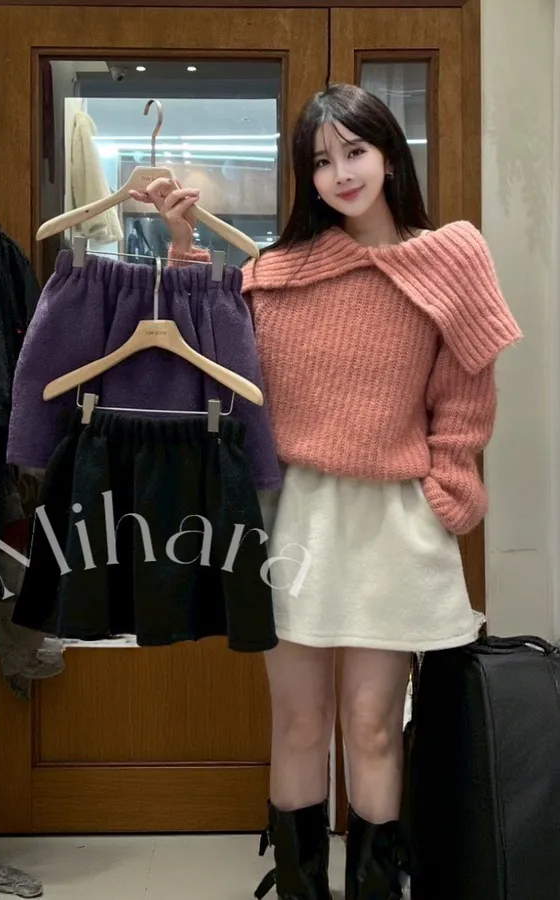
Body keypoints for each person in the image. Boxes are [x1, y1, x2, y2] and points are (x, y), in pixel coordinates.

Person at [129, 83, 522, 900]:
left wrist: (450, 485)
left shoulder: (448, 258)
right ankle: (302, 886)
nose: (341, 173)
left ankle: (378, 886)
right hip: (294, 520)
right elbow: (207, 354)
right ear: (306, 178)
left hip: (392, 522)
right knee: (299, 722)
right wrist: (184, 249)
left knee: (374, 727)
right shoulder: (277, 272)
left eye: (355, 151)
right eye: (320, 161)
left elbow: (465, 392)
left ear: (389, 155)